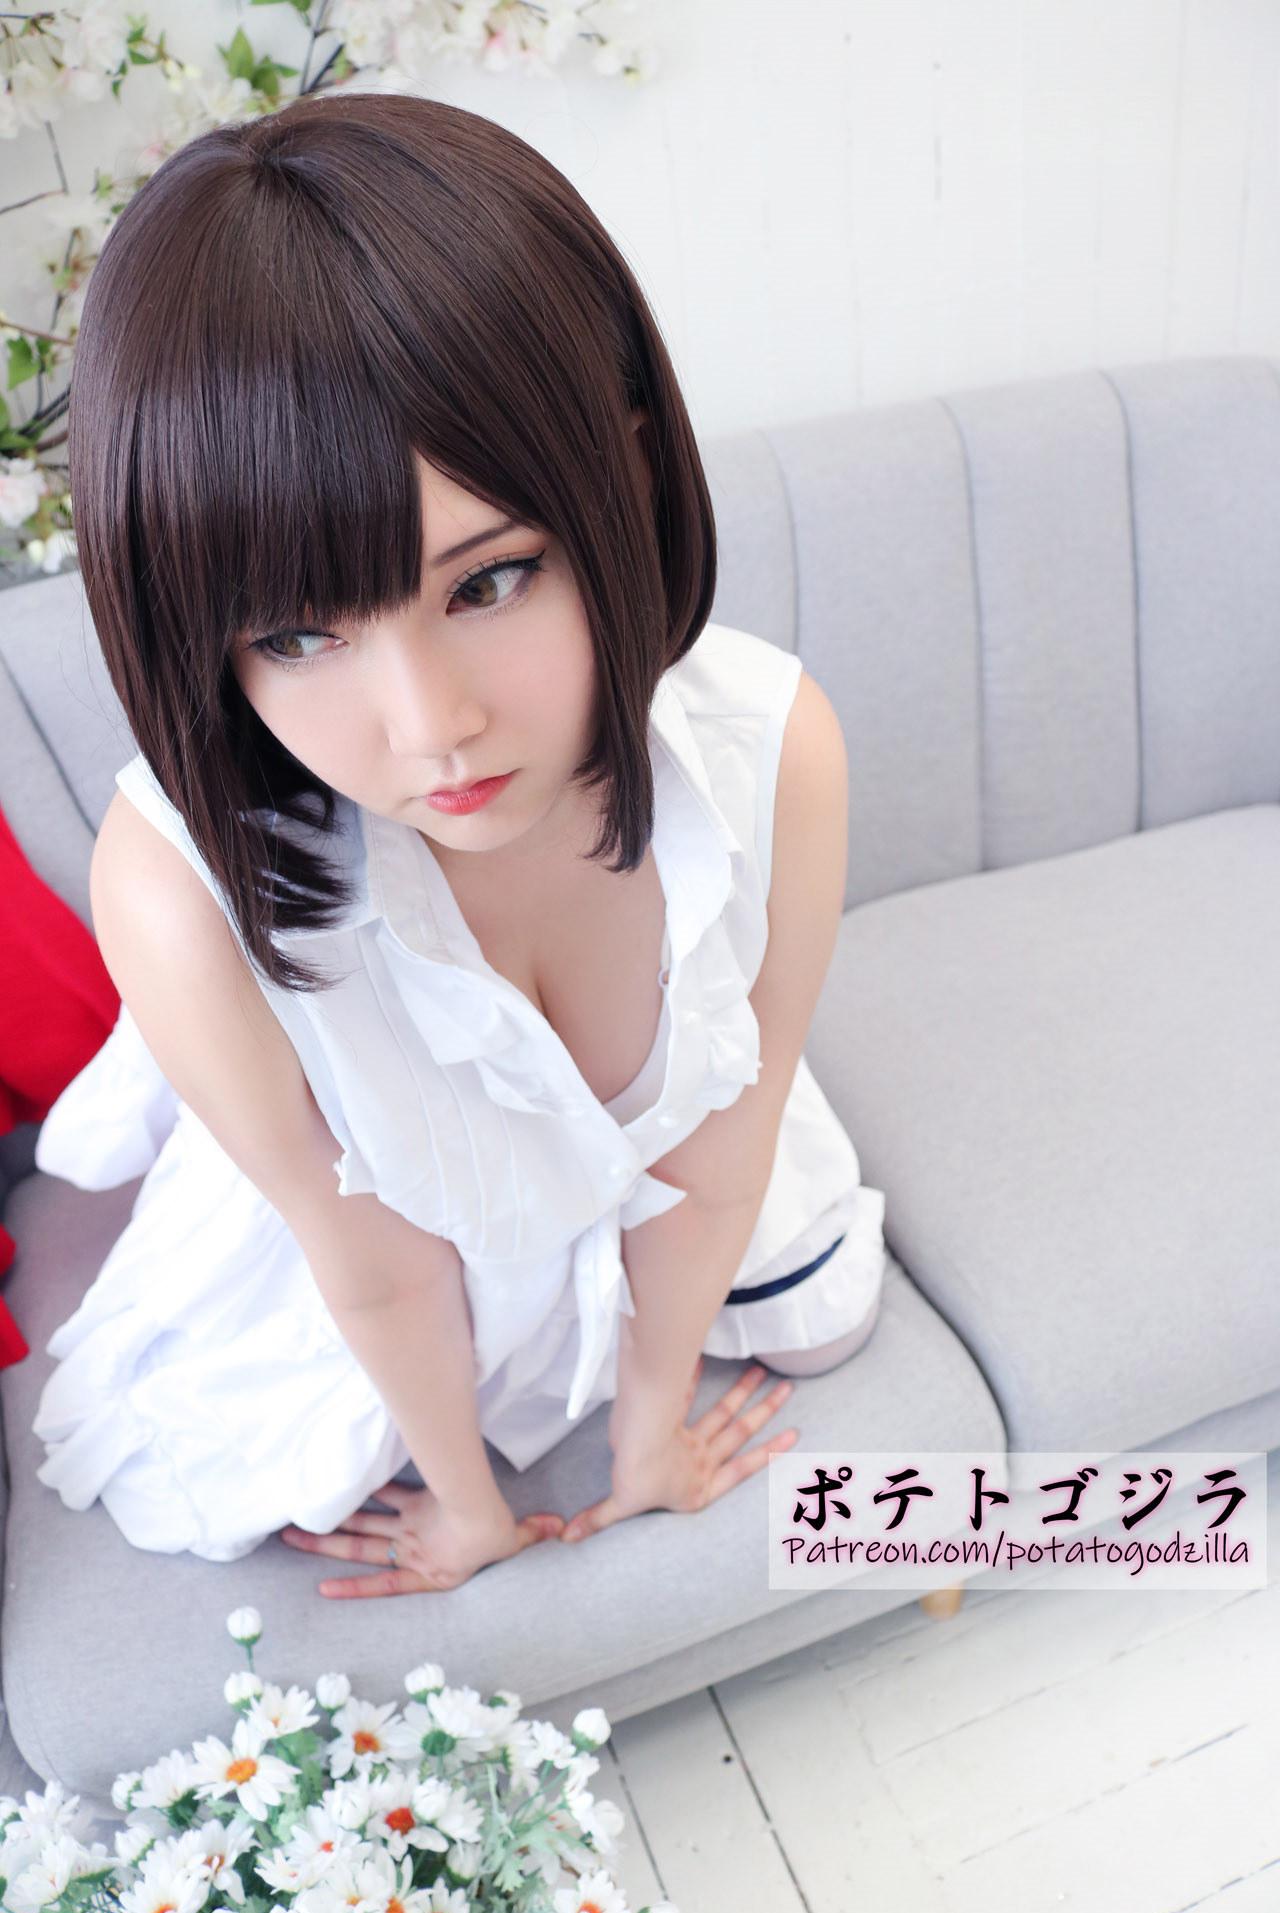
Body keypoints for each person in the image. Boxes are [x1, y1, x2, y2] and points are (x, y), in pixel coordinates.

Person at [31, 88, 887, 1597]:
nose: (435, 730)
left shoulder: (769, 749)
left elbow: (721, 1155)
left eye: (489, 582)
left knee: (822, 1319)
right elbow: (373, 1260)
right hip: (374, 1209)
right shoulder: (178, 894)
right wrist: (472, 1509)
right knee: (252, 1463)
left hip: (665, 1157)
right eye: (298, 634)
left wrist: (649, 1446)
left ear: (627, 472)